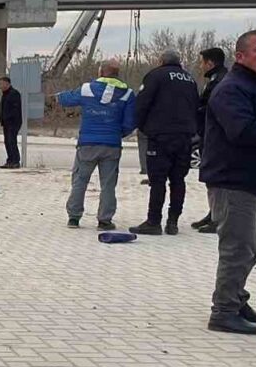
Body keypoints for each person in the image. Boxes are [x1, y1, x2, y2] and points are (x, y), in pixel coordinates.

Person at [201, 30, 256, 334]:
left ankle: (237, 299)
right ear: (240, 56)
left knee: (252, 249)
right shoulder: (231, 88)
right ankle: (224, 311)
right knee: (237, 249)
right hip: (233, 180)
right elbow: (242, 131)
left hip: (254, 180)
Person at [57, 62, 137, 230]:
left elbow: (66, 99)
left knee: (80, 180)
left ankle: (74, 217)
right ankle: (104, 220)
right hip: (112, 145)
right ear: (117, 74)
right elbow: (130, 122)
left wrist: (54, 96)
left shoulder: (87, 89)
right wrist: (116, 134)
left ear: (101, 72)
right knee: (108, 184)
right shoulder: (128, 94)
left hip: (87, 144)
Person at [129, 50, 201, 236]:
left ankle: (154, 222)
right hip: (185, 137)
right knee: (178, 180)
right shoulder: (190, 80)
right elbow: (196, 106)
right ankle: (173, 222)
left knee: (158, 180)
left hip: (160, 136)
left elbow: (142, 103)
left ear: (161, 61)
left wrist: (142, 127)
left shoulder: (155, 75)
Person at [192, 47, 230, 233]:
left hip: (215, 137)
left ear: (210, 63)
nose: (201, 66)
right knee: (210, 178)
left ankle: (219, 217)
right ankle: (213, 213)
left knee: (217, 178)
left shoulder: (221, 81)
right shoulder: (215, 80)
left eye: (202, 62)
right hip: (207, 135)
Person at [0, 77, 22, 168]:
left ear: (7, 83)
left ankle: (15, 161)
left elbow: (15, 109)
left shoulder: (14, 94)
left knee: (12, 141)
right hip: (6, 123)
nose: (0, 86)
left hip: (13, 122)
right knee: (7, 142)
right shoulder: (4, 94)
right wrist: (1, 118)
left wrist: (9, 117)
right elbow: (3, 108)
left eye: (1, 84)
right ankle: (10, 160)